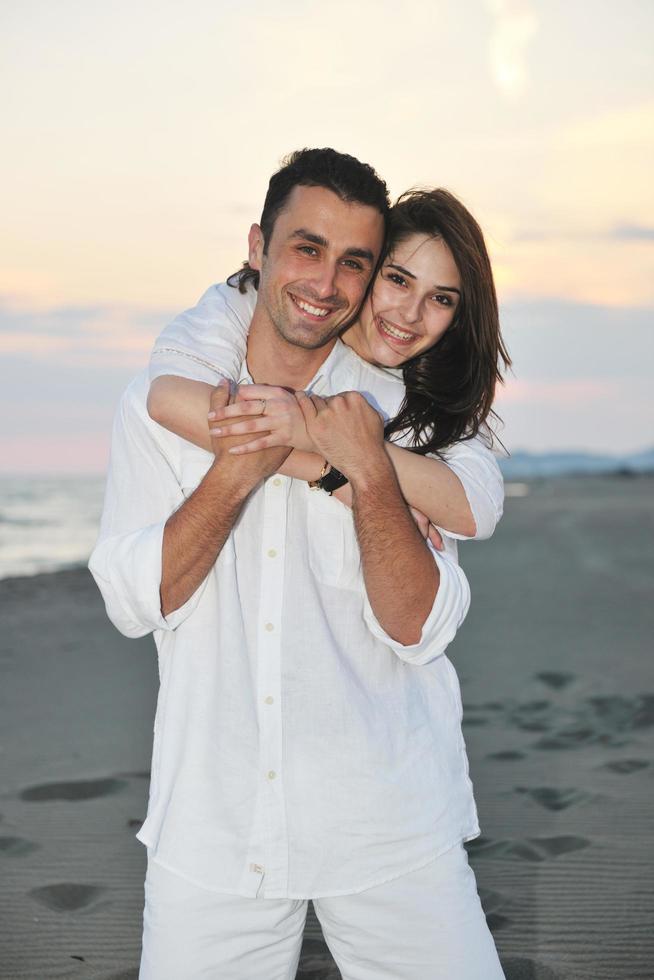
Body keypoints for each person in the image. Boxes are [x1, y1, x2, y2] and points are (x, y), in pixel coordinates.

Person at [89, 148, 506, 979]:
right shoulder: (166, 394)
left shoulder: (401, 412)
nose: (326, 282)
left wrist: (361, 464)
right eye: (306, 249)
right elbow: (137, 599)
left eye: (354, 262)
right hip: (213, 825)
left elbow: (418, 625)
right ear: (258, 247)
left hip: (388, 817)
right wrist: (263, 457)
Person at [147, 186, 510, 544]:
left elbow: (477, 511)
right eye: (398, 280)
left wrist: (315, 437)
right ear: (365, 269)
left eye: (441, 299)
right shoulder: (248, 303)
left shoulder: (427, 385)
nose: (411, 314)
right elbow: (169, 401)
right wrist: (341, 479)